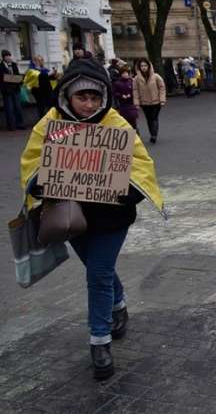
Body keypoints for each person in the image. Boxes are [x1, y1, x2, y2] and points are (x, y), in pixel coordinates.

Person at [19, 57, 164, 380]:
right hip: (70, 216)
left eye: (94, 97)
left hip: (111, 217)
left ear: (104, 97)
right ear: (67, 96)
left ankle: (99, 341)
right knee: (98, 270)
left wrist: (127, 190)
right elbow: (31, 162)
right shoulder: (49, 124)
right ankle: (118, 303)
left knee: (97, 273)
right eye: (81, 97)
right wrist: (41, 182)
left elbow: (141, 165)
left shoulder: (116, 124)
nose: (88, 104)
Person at [133, 59, 166, 144]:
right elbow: (135, 90)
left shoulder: (156, 76)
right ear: (139, 67)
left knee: (154, 118)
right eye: (142, 66)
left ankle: (154, 135)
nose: (143, 67)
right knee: (148, 119)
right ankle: (152, 133)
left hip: (156, 102)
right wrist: (136, 103)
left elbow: (162, 88)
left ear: (149, 66)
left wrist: (162, 100)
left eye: (145, 65)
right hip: (144, 103)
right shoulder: (136, 78)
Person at [25, 55, 55, 119]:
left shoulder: (44, 69)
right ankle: (42, 121)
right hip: (38, 91)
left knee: (50, 105)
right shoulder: (31, 70)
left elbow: (50, 78)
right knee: (41, 107)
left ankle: (50, 119)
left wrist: (54, 74)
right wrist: (48, 74)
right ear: (35, 61)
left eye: (42, 60)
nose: (41, 62)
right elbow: (39, 76)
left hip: (47, 90)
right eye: (39, 60)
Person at [1, 49, 25, 130]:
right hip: (7, 91)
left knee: (18, 107)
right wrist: (12, 78)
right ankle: (11, 125)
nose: (9, 57)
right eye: (7, 56)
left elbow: (17, 76)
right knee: (9, 108)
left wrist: (17, 79)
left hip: (15, 90)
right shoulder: (1, 66)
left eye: (9, 56)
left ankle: (20, 124)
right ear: (3, 57)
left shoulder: (14, 65)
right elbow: (2, 78)